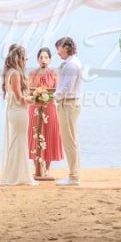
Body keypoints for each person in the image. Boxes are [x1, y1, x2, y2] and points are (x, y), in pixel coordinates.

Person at [0, 45, 37, 186]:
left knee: (19, 143)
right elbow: (20, 98)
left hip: (15, 112)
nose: (26, 60)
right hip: (18, 112)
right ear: (19, 59)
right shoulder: (15, 74)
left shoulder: (9, 72)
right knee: (18, 143)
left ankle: (17, 175)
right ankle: (16, 176)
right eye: (25, 58)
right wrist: (35, 100)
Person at [27, 47, 63, 179]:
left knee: (49, 136)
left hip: (50, 108)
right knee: (35, 136)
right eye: (41, 57)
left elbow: (57, 91)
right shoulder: (32, 74)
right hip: (35, 108)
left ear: (50, 59)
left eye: (46, 57)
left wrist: (47, 93)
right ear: (37, 59)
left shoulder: (54, 74)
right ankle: (36, 168)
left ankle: (47, 169)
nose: (43, 60)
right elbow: (29, 90)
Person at [54, 36, 82, 186]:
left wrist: (50, 97)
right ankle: (74, 175)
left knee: (69, 141)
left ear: (65, 47)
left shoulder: (71, 65)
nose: (58, 52)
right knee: (71, 141)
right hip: (69, 104)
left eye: (58, 48)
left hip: (68, 105)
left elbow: (66, 89)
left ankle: (73, 177)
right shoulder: (71, 63)